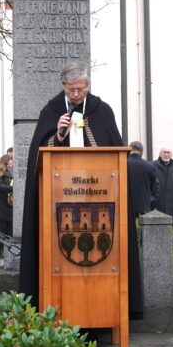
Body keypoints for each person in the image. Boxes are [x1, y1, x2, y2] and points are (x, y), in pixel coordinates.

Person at [19, 62, 141, 317]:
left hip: (97, 195)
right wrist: (57, 135)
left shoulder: (102, 111)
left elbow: (113, 151)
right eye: (71, 89)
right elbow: (38, 155)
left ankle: (103, 311)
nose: (76, 94)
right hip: (61, 198)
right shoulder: (51, 111)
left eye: (81, 89)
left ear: (88, 85)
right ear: (63, 86)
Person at [153, 147, 173, 249]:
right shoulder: (152, 166)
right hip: (156, 204)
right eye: (164, 152)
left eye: (168, 152)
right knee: (155, 230)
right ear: (160, 153)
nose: (166, 154)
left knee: (169, 230)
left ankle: (167, 250)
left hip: (172, 205)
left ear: (171, 154)